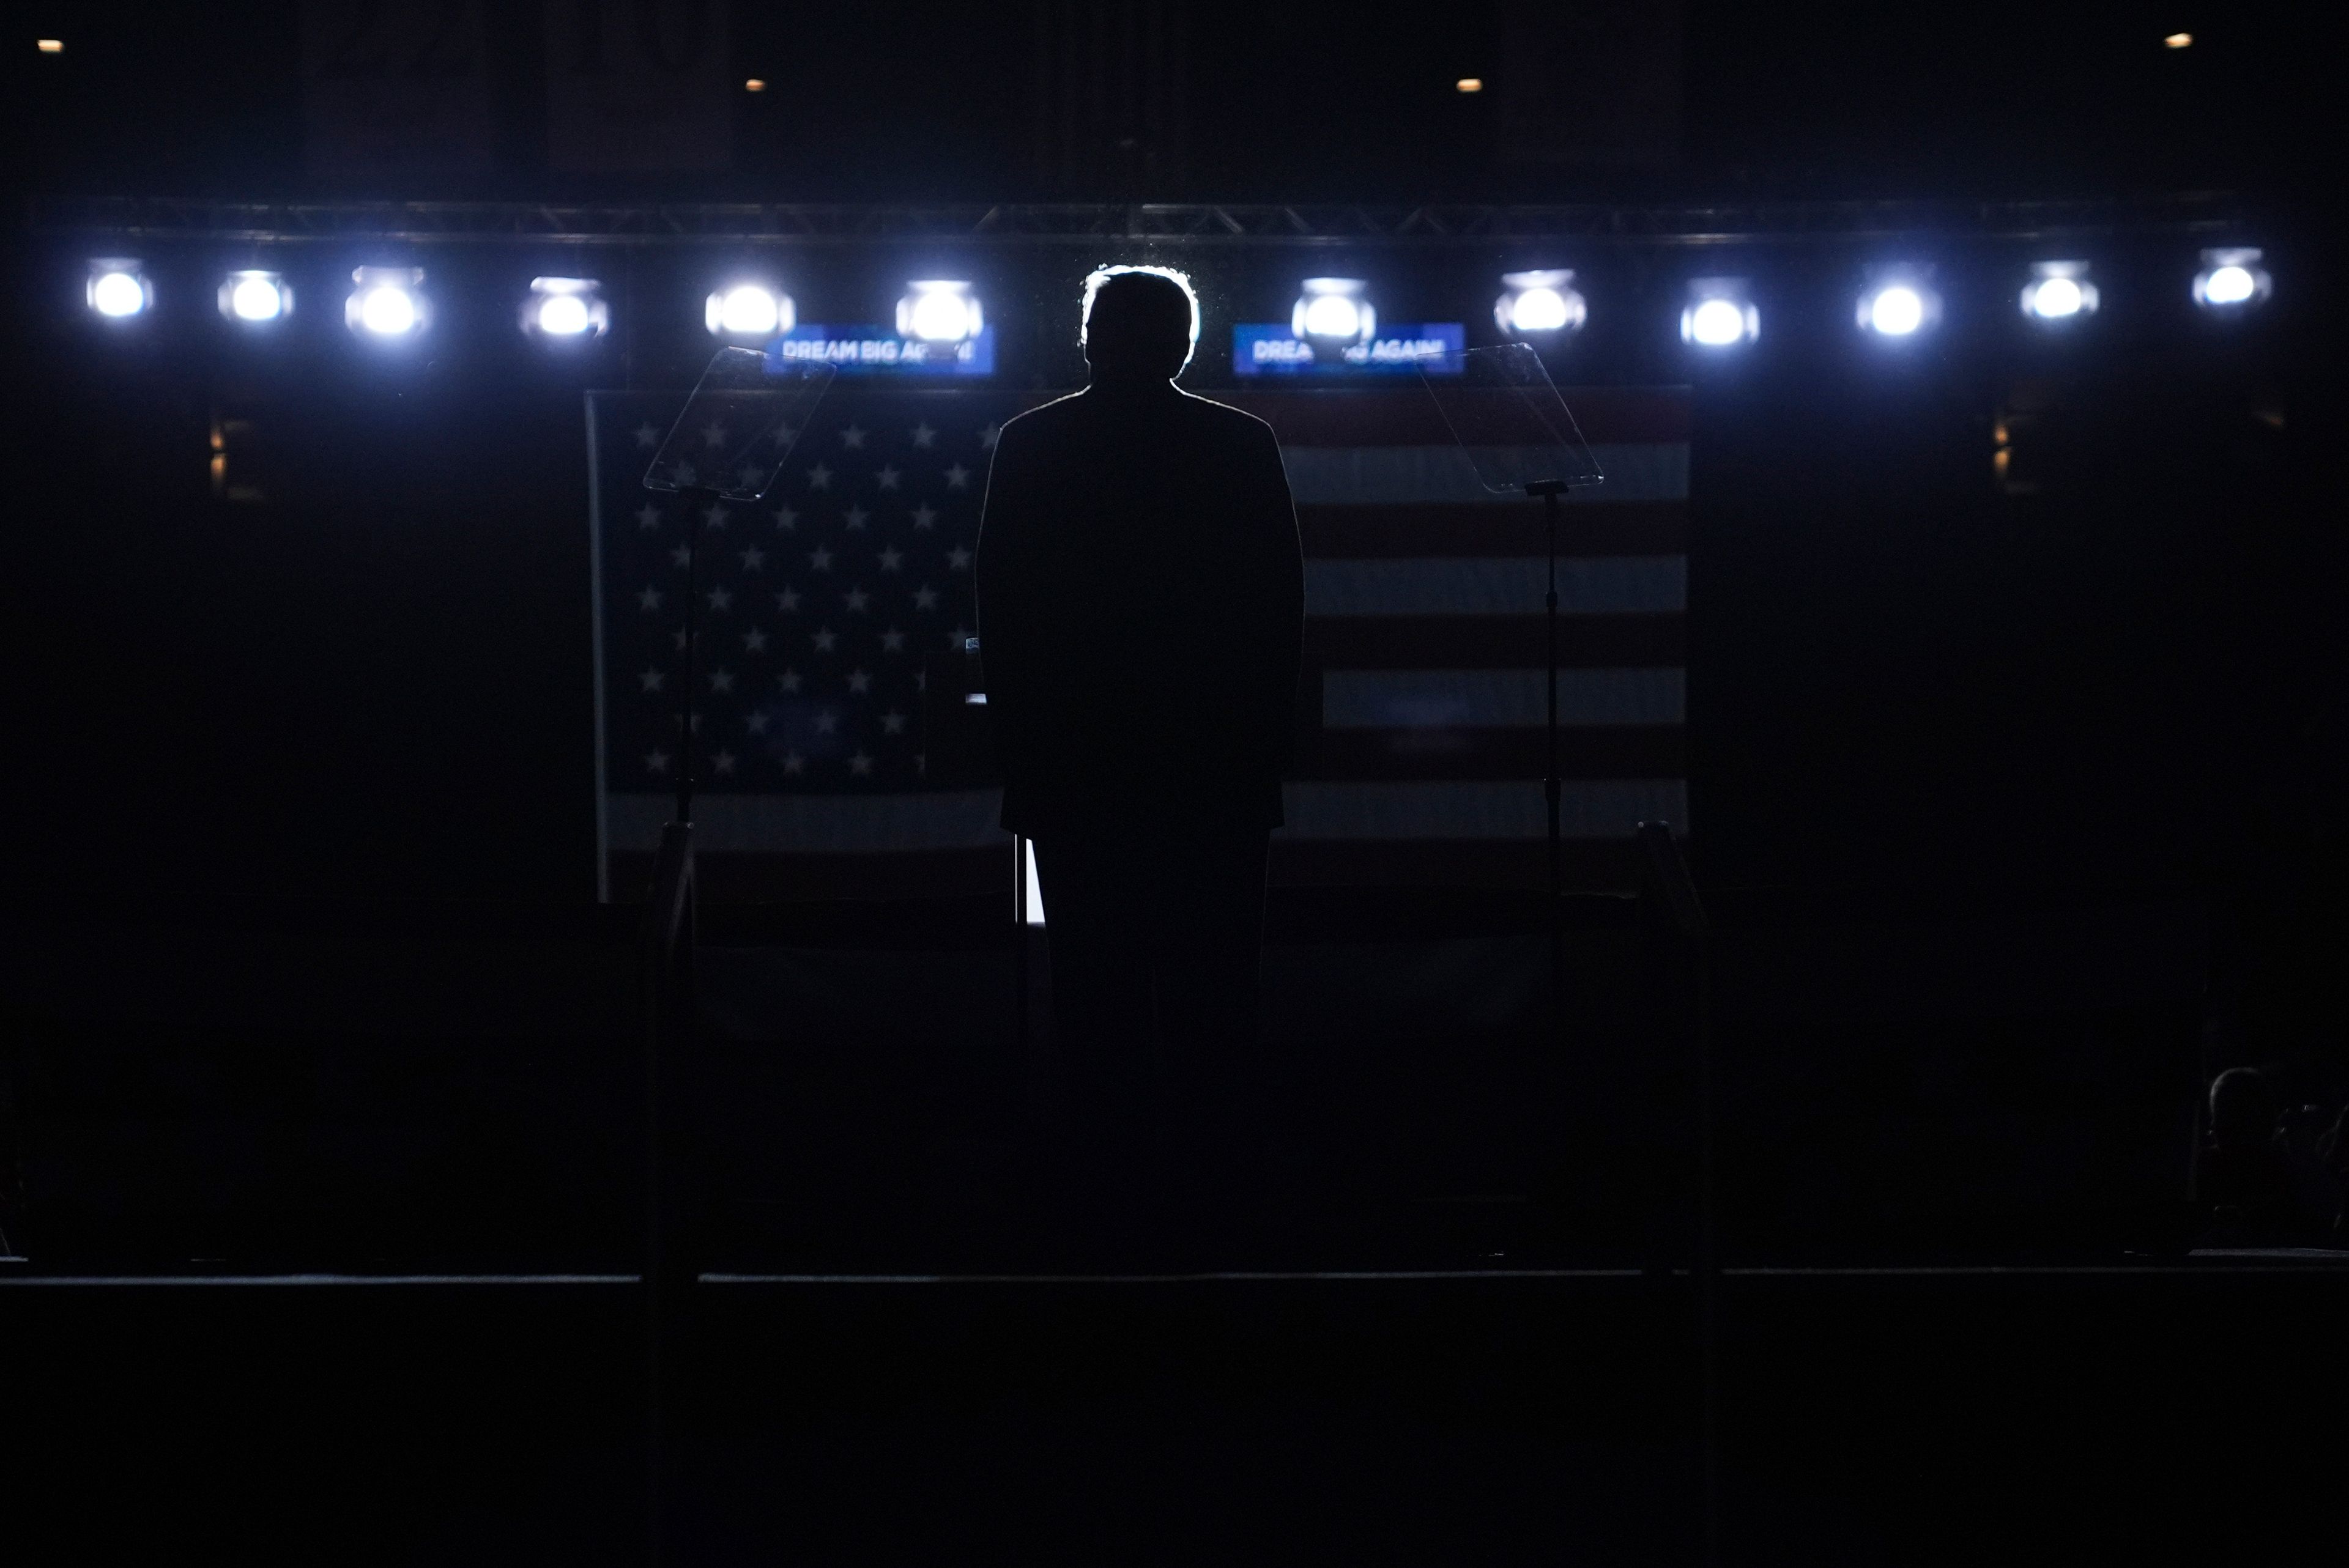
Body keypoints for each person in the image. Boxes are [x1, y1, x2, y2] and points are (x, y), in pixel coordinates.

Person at [976, 266, 1304, 1259]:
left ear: (1087, 338)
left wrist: (1029, 762)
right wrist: (1256, 756)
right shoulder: (1240, 444)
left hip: (1081, 773)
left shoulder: (1034, 444)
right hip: (1212, 772)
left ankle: (1096, 1207)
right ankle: (1221, 1207)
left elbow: (1005, 618)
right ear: (1186, 344)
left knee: (1094, 998)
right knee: (1215, 999)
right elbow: (1275, 615)